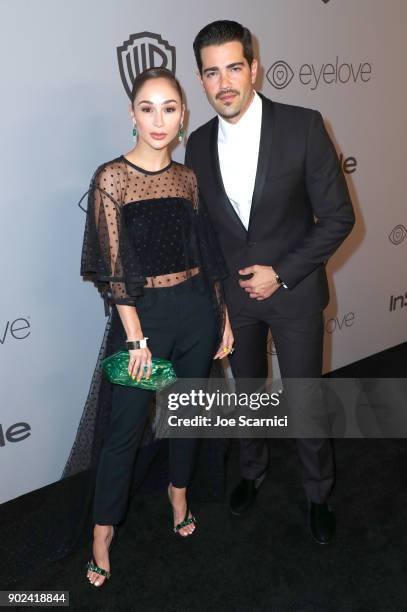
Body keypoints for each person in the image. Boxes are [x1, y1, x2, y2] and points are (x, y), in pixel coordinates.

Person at [185, 20, 355, 544]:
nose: (225, 83)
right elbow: (206, 235)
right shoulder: (196, 144)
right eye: (212, 73)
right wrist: (217, 303)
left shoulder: (303, 125)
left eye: (234, 67)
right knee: (249, 395)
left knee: (305, 398)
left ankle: (318, 493)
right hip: (237, 302)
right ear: (202, 80)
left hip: (295, 292)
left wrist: (280, 272)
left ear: (254, 69)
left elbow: (338, 217)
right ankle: (252, 470)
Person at [80, 66, 234, 586]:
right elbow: (114, 268)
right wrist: (136, 336)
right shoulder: (111, 178)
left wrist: (223, 317)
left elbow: (205, 254)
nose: (159, 119)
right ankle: (102, 531)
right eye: (148, 108)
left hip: (196, 310)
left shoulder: (188, 179)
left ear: (184, 114)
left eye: (169, 108)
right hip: (144, 321)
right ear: (132, 114)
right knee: (125, 430)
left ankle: (179, 493)